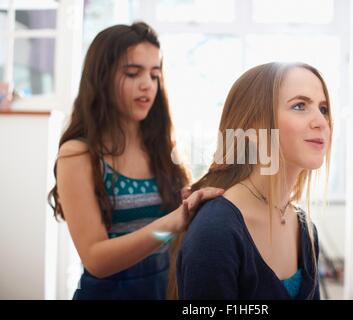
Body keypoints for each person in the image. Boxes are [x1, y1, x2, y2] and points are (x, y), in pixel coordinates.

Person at [48, 22, 223, 300]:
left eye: (155, 75)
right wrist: (175, 220)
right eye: (133, 73)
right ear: (101, 78)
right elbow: (96, 259)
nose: (147, 85)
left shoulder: (161, 147)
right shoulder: (78, 154)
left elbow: (176, 231)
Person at [171, 62, 333, 300]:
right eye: (300, 105)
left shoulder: (306, 230)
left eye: (324, 108)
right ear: (253, 129)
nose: (321, 121)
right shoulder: (215, 232)